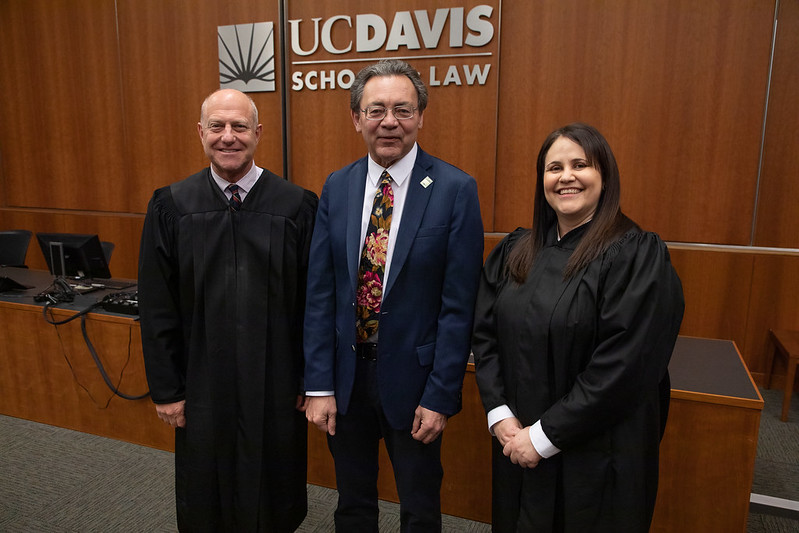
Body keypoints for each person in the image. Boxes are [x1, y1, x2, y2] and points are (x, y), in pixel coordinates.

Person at [472, 123, 684, 532]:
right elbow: (485, 335)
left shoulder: (636, 256)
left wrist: (545, 436)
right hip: (515, 438)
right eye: (554, 168)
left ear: (604, 176)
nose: (565, 176)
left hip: (596, 452)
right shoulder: (516, 251)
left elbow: (625, 366)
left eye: (580, 164)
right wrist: (500, 415)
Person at [303, 59, 484, 532]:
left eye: (402, 110)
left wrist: (442, 395)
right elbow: (321, 293)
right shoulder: (337, 187)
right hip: (346, 380)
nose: (389, 122)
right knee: (352, 501)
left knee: (420, 506)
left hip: (416, 382)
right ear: (356, 118)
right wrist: (319, 384)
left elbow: (459, 306)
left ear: (421, 116)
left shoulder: (455, 190)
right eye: (376, 109)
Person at [138, 89, 318, 532]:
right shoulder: (171, 205)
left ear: (258, 134)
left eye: (239, 127)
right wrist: (166, 389)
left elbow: (315, 305)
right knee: (206, 491)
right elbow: (157, 306)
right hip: (202, 382)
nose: (228, 137)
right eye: (217, 126)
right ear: (201, 133)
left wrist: (310, 380)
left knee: (274, 490)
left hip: (277, 382)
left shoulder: (296, 206)